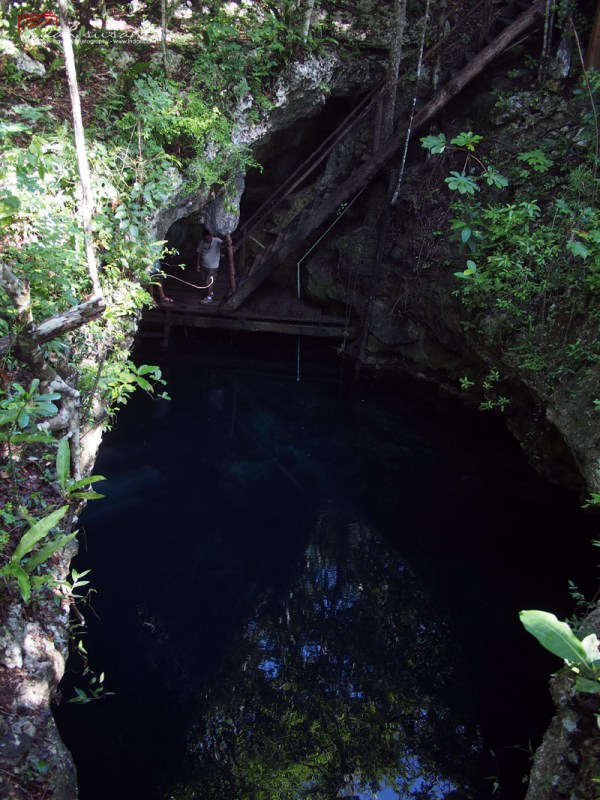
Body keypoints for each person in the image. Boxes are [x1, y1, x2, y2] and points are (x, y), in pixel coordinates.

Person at [196, 232, 224, 304]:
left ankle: (209, 298)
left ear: (211, 236)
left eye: (209, 237)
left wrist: (227, 242)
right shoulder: (202, 243)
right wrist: (198, 265)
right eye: (206, 238)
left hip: (213, 266)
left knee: (208, 281)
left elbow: (224, 244)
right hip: (203, 265)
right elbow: (199, 253)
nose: (208, 239)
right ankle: (211, 293)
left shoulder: (217, 241)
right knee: (204, 280)